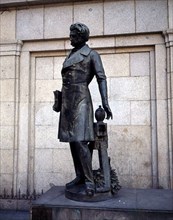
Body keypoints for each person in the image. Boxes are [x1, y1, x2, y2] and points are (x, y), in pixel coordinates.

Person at [58, 22, 112, 196]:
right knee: (73, 141)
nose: (70, 38)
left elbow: (101, 78)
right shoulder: (70, 54)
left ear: (81, 37)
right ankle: (80, 176)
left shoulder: (91, 54)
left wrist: (105, 101)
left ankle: (89, 181)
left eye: (73, 35)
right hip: (67, 101)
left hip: (81, 98)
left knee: (81, 140)